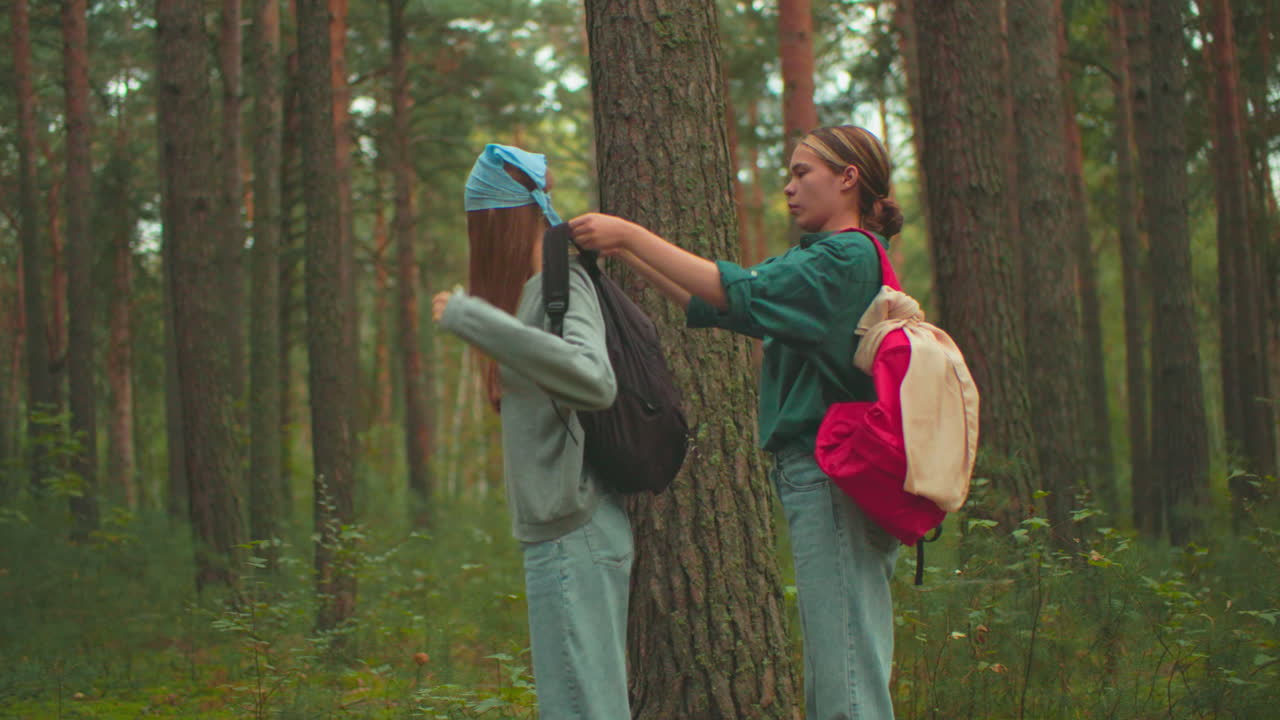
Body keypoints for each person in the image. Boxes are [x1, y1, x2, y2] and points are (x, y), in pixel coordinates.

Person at [570, 125, 903, 720]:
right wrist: (627, 253)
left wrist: (629, 233)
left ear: (848, 178)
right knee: (843, 663)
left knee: (847, 671)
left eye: (803, 173)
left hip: (832, 476)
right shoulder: (826, 260)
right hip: (830, 475)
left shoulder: (844, 255)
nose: (789, 186)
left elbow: (738, 289)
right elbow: (730, 306)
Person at [431, 143, 632, 720]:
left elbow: (596, 381)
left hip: (578, 532)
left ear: (503, 219)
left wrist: (476, 321)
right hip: (561, 533)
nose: (478, 236)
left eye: (482, 222)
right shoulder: (530, 289)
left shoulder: (558, 280)